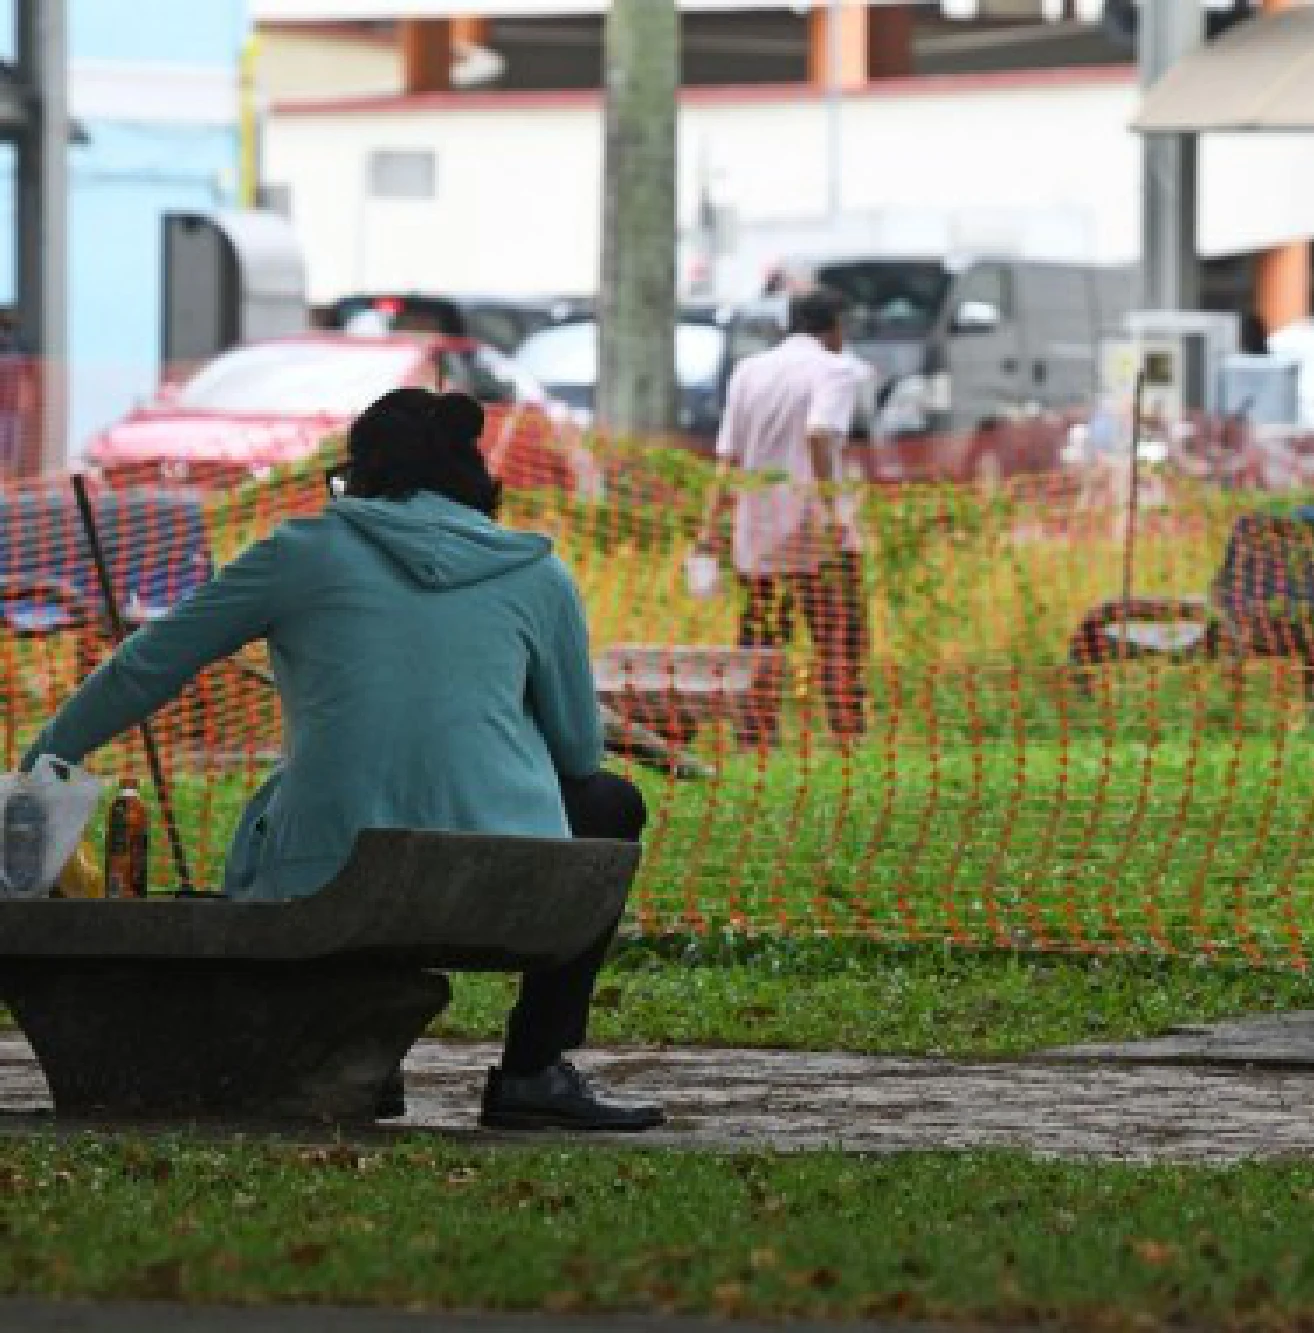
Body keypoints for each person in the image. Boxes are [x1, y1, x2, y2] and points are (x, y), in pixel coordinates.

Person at [24, 388, 662, 1132]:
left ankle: (357, 1056)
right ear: (478, 482)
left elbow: (147, 667)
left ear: (356, 477)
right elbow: (580, 753)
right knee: (609, 803)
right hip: (504, 878)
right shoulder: (539, 576)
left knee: (303, 795)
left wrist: (45, 761)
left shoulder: (299, 553)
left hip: (329, 872)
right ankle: (533, 1069)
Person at [698, 287, 869, 751]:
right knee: (838, 639)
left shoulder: (750, 371)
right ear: (834, 328)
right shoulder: (836, 369)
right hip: (817, 535)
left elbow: (727, 461)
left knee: (761, 643)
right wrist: (834, 510)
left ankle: (754, 739)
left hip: (757, 536)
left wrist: (708, 532)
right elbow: (819, 433)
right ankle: (847, 737)